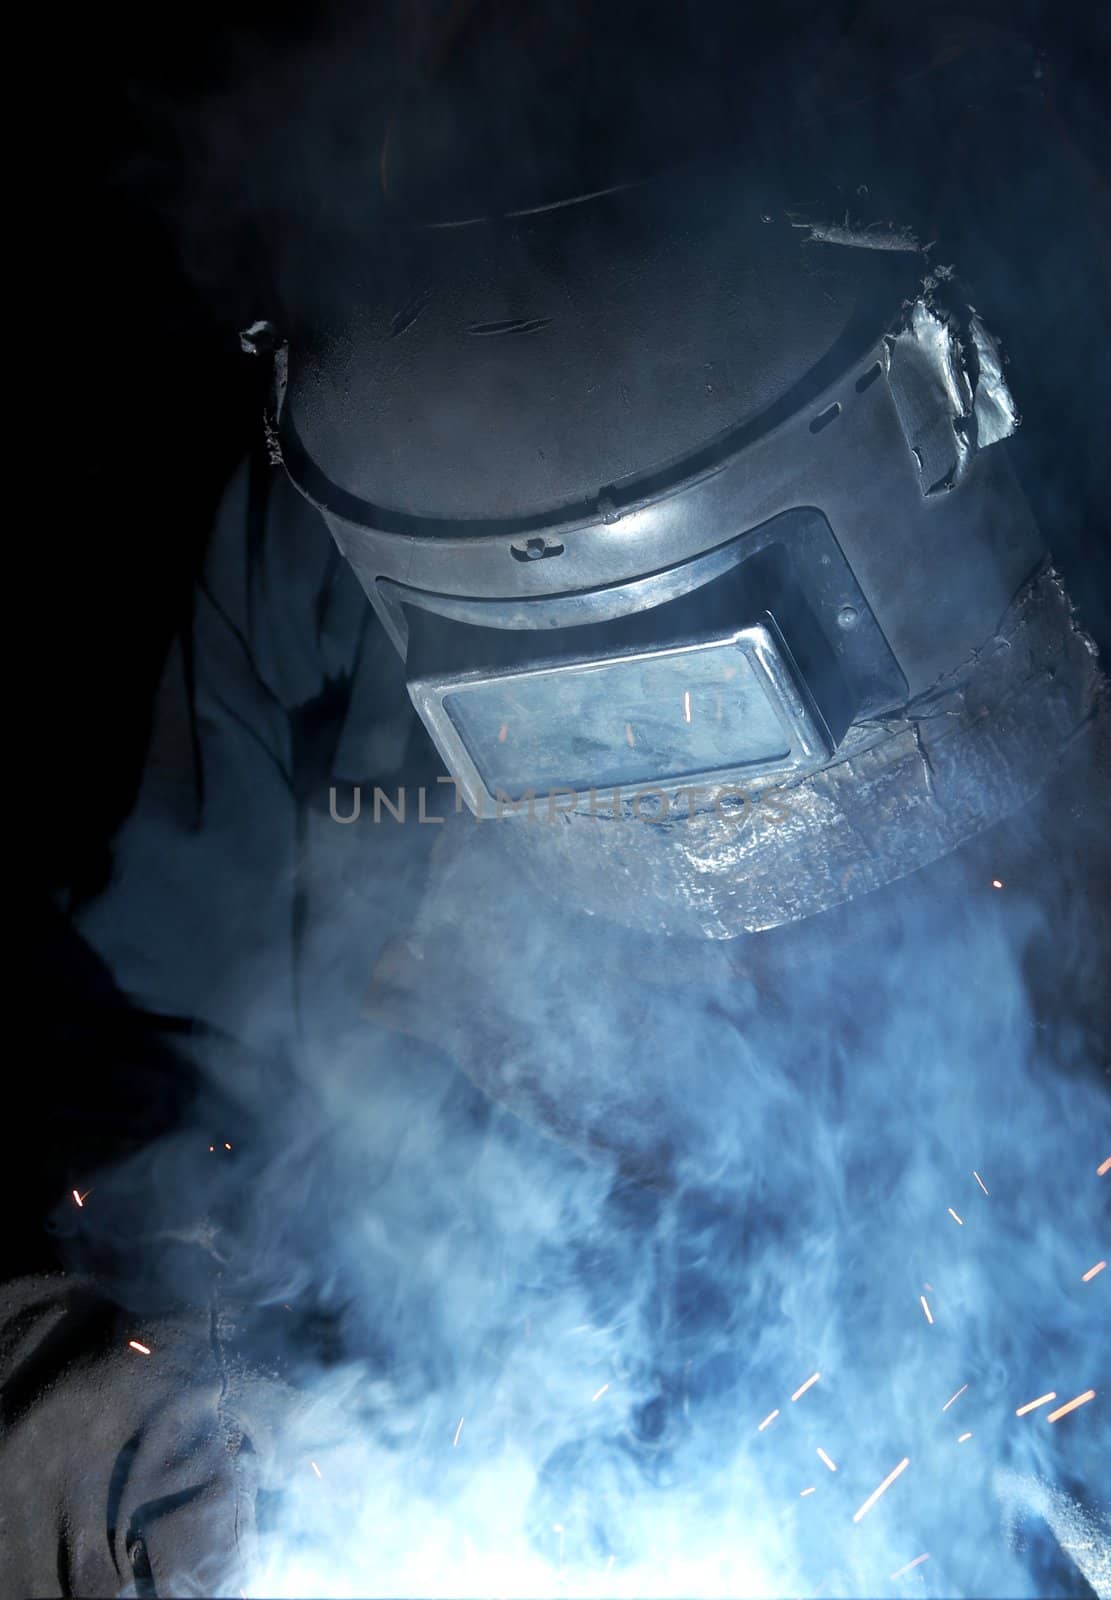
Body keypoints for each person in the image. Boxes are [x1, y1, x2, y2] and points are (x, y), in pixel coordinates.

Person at [8, 4, 1109, 1594]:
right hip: (447, 1364)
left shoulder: (1046, 422)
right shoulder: (321, 534)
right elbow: (108, 1093)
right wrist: (155, 1437)